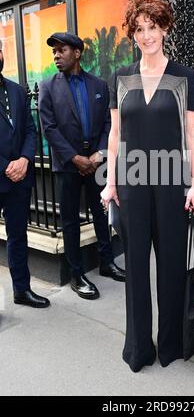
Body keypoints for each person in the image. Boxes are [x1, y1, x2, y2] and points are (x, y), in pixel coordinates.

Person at [100, 0, 194, 372]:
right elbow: (114, 135)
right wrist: (110, 182)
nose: (147, 35)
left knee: (172, 266)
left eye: (153, 26)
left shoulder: (184, 77)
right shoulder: (121, 77)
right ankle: (139, 348)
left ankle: (171, 343)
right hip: (131, 183)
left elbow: (192, 135)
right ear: (132, 34)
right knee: (136, 269)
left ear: (165, 28)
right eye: (140, 29)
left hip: (173, 180)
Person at [39, 32, 125, 301]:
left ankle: (106, 262)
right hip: (67, 166)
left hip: (96, 161)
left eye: (61, 50)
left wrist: (99, 154)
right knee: (70, 222)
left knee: (101, 214)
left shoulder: (99, 85)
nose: (56, 56)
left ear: (77, 53)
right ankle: (76, 274)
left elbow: (108, 124)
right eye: (54, 52)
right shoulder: (48, 86)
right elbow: (49, 128)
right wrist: (75, 158)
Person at [0, 40, 50, 308]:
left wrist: (24, 159)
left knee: (18, 236)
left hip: (19, 179)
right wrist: (5, 165)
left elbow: (31, 130)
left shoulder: (18, 91)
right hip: (2, 174)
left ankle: (22, 290)